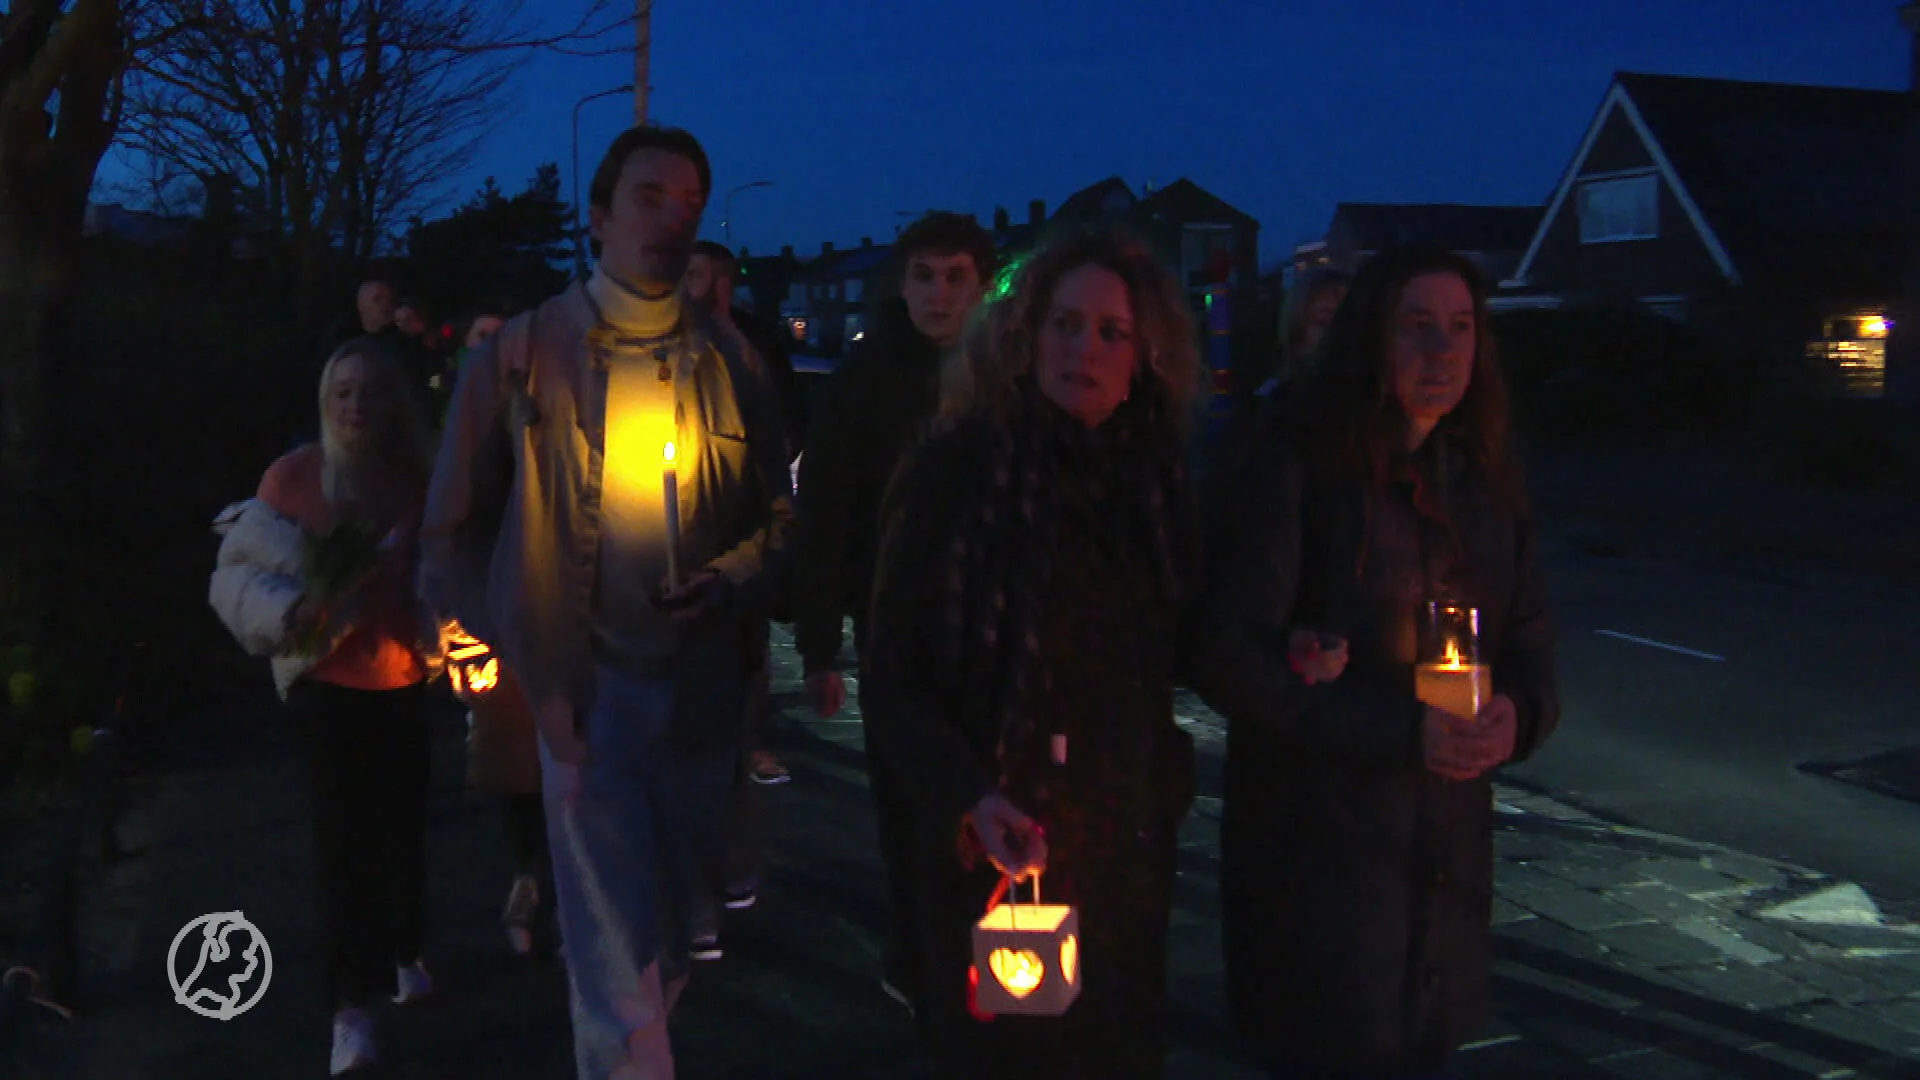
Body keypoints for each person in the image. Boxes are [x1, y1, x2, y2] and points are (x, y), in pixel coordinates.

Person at [419, 124, 792, 1080]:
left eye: (689, 205)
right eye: (649, 197)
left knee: (672, 924)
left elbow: (782, 521)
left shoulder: (732, 364)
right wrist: (475, 635)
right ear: (597, 217)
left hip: (700, 691)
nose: (671, 221)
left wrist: (729, 576)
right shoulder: (522, 355)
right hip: (577, 689)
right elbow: (452, 522)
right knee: (607, 934)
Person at [1193, 245, 1560, 1080]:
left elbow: (1533, 651)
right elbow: (1226, 654)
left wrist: (1519, 716)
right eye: (1418, 328)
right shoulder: (1297, 466)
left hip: (1443, 872)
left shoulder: (1484, 487)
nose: (1443, 352)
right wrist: (1400, 731)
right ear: (1371, 339)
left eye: (1462, 328)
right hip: (1318, 868)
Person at [861, 226, 1203, 1078]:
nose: (1083, 347)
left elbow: (1184, 645)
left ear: (1143, 358)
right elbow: (896, 675)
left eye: (1110, 332)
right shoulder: (960, 470)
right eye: (1065, 323)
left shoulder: (1152, 485)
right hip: (992, 849)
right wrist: (968, 793)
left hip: (1120, 852)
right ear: (1024, 336)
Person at [209, 338, 442, 1075]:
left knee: (402, 831)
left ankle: (405, 944)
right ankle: (349, 1010)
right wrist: (297, 611)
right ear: (324, 399)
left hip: (406, 682)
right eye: (342, 392)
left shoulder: (420, 480)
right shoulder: (294, 477)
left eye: (371, 392)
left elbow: (453, 571)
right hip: (327, 687)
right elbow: (240, 573)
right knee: (340, 847)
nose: (355, 406)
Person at [792, 210, 995, 1014]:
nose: (939, 295)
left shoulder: (1007, 374)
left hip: (992, 622)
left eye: (955, 278)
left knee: (989, 787)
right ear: (901, 283)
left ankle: (980, 944)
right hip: (896, 623)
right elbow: (828, 513)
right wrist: (819, 644)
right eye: (924, 276)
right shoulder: (865, 381)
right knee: (908, 795)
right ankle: (917, 953)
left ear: (982, 285)